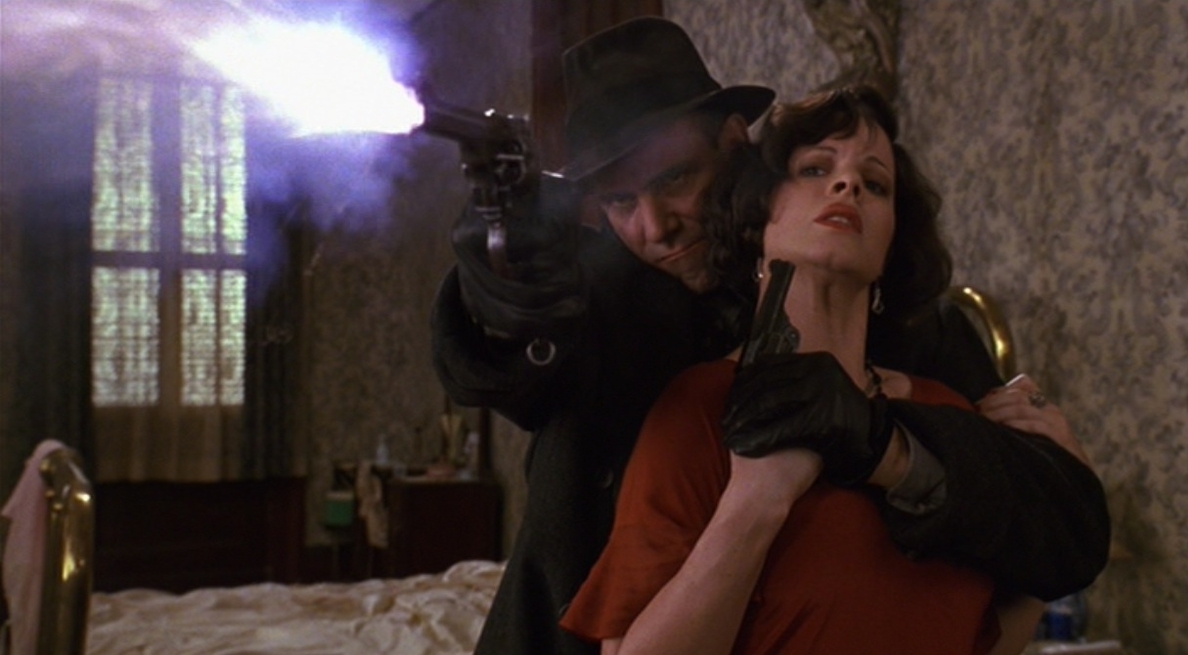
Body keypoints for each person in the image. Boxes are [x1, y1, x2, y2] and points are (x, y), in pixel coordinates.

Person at [430, 17, 1108, 655]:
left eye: (676, 178)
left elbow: (1040, 538)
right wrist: (496, 277)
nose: (654, 226)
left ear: (735, 147)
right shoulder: (599, 293)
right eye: (619, 201)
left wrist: (902, 447)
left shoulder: (915, 335)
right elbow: (498, 362)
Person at [560, 85, 1048, 655]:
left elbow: (982, 638)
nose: (847, 185)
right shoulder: (702, 410)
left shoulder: (943, 411)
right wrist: (756, 502)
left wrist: (1055, 475)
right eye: (815, 169)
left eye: (875, 184)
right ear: (757, 214)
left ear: (892, 238)